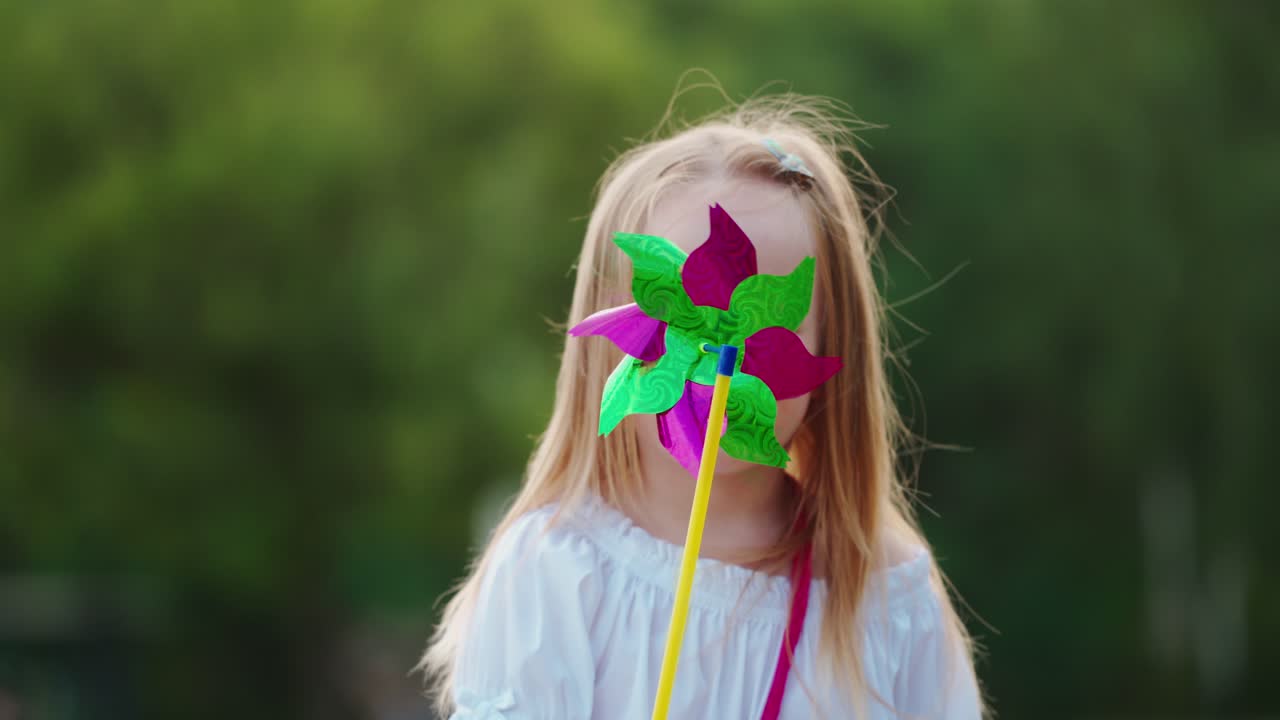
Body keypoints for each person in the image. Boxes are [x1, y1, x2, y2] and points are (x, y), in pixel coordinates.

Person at [420, 95, 986, 719]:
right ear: (617, 331)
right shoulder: (556, 571)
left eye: (767, 327)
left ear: (833, 341)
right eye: (682, 315)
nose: (723, 358)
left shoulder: (884, 597)